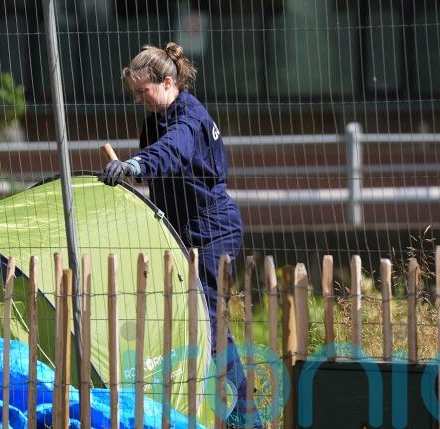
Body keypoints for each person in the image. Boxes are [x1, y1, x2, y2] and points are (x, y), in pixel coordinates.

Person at [101, 42, 260, 429]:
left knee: (209, 322)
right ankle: (192, 403)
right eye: (134, 93)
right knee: (187, 319)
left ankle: (245, 413)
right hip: (181, 231)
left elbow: (170, 153)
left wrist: (135, 165)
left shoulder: (188, 118)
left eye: (144, 91)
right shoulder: (158, 116)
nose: (139, 99)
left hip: (211, 231)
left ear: (168, 82)